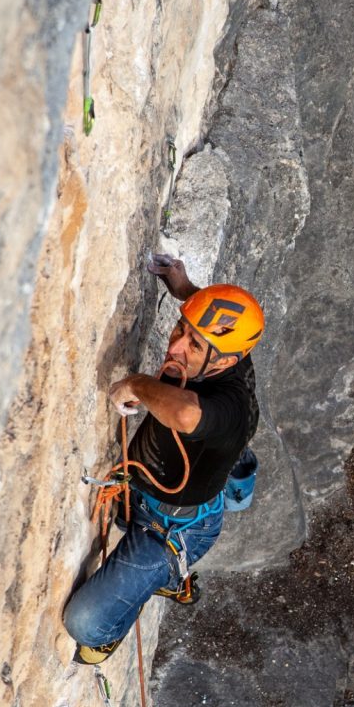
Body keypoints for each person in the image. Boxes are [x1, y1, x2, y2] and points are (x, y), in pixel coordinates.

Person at [63, 256, 263, 665]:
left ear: (226, 362)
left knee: (83, 623)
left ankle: (164, 584)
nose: (175, 347)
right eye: (181, 330)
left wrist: (138, 384)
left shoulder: (231, 406)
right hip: (144, 492)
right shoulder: (226, 350)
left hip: (176, 528)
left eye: (193, 345)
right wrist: (185, 288)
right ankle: (162, 573)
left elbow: (187, 414)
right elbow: (212, 323)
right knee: (121, 522)